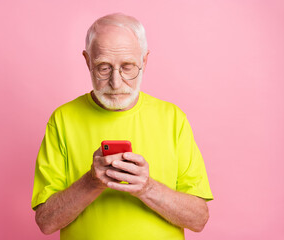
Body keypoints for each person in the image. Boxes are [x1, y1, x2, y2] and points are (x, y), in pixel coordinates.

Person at [31, 13, 213, 240]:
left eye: (127, 67)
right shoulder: (62, 119)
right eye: (103, 68)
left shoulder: (173, 119)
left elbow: (198, 219)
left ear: (144, 61)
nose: (116, 83)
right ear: (88, 61)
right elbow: (46, 222)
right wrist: (92, 181)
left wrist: (147, 188)